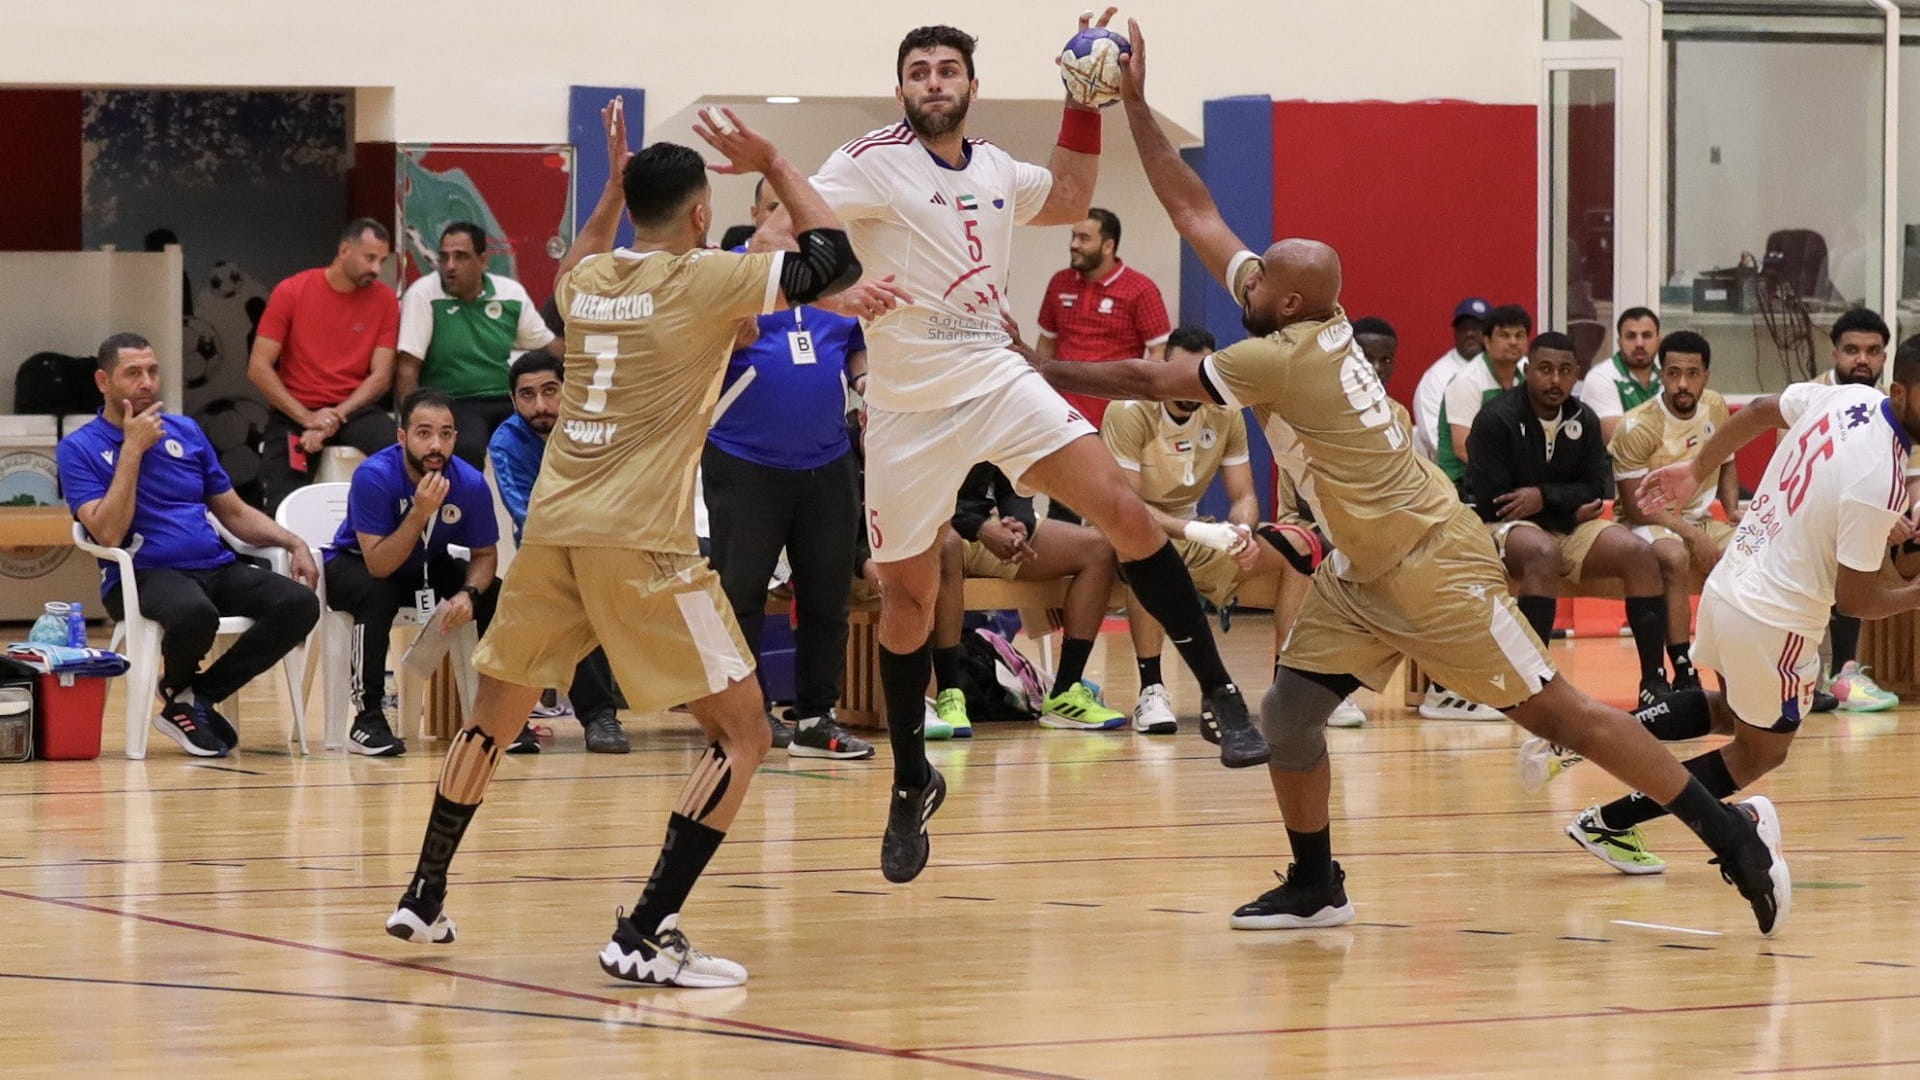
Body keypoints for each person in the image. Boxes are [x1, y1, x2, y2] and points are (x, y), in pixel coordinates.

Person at [1029, 19, 1788, 936]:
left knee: (1564, 716)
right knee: (1292, 715)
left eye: (1261, 275)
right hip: (1363, 568)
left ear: (1291, 303)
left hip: (1435, 566)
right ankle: (1317, 884)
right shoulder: (1301, 310)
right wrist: (1139, 106)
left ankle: (1733, 838)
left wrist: (1034, 363)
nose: (1248, 272)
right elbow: (1198, 214)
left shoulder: (1284, 357)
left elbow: (1153, 376)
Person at [754, 16, 1264, 886]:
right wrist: (839, 297)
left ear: (971, 86)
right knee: (908, 599)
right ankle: (911, 780)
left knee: (1122, 509)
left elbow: (1068, 195)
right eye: (918, 70)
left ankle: (1216, 692)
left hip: (994, 370)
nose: (934, 81)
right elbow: (772, 242)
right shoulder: (867, 159)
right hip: (908, 410)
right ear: (902, 88)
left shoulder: (992, 165)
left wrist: (1085, 100)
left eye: (948, 68)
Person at [385, 106, 872, 987]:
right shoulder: (705, 276)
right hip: (642, 540)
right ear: (697, 216)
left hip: (557, 532)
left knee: (492, 719)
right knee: (747, 734)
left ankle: (423, 893)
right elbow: (836, 260)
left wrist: (609, 183)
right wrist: (771, 158)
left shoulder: (590, 281)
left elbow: (578, 256)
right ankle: (644, 930)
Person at [1539, 360, 1920, 877]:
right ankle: (1607, 821)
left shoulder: (1846, 398)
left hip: (1733, 580)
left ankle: (1587, 737)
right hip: (1774, 618)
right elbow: (1855, 599)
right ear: (1900, 391)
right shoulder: (1885, 477)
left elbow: (1762, 410)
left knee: (1732, 713)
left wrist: (1695, 469)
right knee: (1760, 752)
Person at [60, 332, 320, 757]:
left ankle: (191, 696)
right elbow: (107, 534)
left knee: (299, 603)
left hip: (214, 566)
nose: (146, 382)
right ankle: (182, 693)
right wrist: (132, 451)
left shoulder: (187, 432)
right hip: (142, 575)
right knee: (194, 611)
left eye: (152, 371)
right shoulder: (80, 448)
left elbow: (233, 512)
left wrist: (294, 543)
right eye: (133, 374)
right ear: (103, 382)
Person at [702, 176, 873, 760]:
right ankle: (744, 716)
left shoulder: (832, 282)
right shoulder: (725, 272)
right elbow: (687, 347)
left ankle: (817, 716)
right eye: (774, 208)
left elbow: (856, 343)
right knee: (740, 594)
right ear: (754, 212)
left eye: (795, 209)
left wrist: (866, 381)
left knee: (827, 597)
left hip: (827, 462)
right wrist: (725, 335)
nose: (786, 219)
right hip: (744, 461)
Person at [1100, 324, 1297, 735]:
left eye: (1198, 378)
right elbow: (1128, 507)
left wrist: (1242, 531)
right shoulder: (1129, 410)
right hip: (1130, 529)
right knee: (1143, 548)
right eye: (1178, 376)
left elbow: (1243, 494)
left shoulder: (1225, 412)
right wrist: (1196, 532)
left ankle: (1294, 688)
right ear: (1161, 369)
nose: (1187, 388)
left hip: (1195, 531)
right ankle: (1152, 689)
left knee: (1301, 550)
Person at [1467, 332, 1675, 708]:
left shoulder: (1585, 418)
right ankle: (1534, 682)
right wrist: (1562, 503)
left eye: (1565, 371)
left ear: (1576, 373)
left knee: (1638, 552)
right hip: (1503, 528)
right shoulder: (1495, 420)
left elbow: (1598, 487)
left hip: (1568, 526)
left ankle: (1653, 682)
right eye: (1545, 370)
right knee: (1541, 552)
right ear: (1527, 370)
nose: (1555, 380)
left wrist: (1544, 498)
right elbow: (1492, 500)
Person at [324, 388, 501, 757]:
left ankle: (499, 717)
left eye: (446, 433)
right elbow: (379, 564)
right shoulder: (375, 476)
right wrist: (419, 512)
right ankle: (367, 718)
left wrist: (469, 593)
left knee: (495, 592)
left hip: (424, 565)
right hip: (358, 564)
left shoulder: (468, 483)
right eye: (424, 433)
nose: (436, 445)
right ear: (402, 436)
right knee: (379, 591)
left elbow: (484, 554)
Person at [488, 351, 630, 754]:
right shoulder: (506, 442)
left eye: (550, 392)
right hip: (546, 555)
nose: (541, 406)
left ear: (569, 390)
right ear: (513, 400)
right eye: (527, 395)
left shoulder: (594, 428)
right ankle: (600, 715)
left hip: (610, 544)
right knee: (571, 592)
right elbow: (527, 515)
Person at [929, 463, 1124, 737]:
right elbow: (914, 493)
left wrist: (1019, 524)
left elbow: (1013, 484)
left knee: (1099, 550)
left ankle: (1065, 692)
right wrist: (981, 527)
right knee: (947, 546)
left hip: (982, 529)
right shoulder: (921, 420)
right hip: (932, 530)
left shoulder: (993, 421)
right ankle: (950, 693)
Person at [1608, 329, 1738, 693]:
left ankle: (1741, 668)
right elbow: (1635, 507)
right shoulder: (1637, 425)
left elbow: (1728, 460)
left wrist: (1731, 510)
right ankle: (1683, 669)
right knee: (1674, 556)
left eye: (1692, 374)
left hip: (1701, 517)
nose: (1682, 384)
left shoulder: (1715, 405)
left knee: (1751, 550)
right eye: (1673, 373)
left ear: (1706, 376)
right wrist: (1693, 534)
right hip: (1649, 520)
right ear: (1660, 374)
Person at [248, 218, 400, 513]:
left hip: (355, 409)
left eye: (381, 260)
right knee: (282, 504)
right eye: (370, 258)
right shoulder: (292, 291)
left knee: (400, 459)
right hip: (296, 409)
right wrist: (307, 418)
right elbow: (258, 367)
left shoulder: (384, 300)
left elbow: (381, 376)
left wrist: (333, 417)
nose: (376, 269)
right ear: (344, 250)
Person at [1804, 307, 1907, 712]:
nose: (1862, 360)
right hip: (1810, 517)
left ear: (1884, 356)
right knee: (1848, 537)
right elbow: (1799, 477)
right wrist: (1883, 514)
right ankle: (1821, 671)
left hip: (1867, 517)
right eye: (1852, 350)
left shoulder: (1892, 403)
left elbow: (1907, 475)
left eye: (1872, 351)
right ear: (1834, 353)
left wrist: (1905, 509)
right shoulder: (1809, 398)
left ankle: (1845, 671)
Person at [393, 222, 562, 467]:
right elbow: (407, 368)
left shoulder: (510, 293)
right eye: (444, 257)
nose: (450, 266)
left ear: (482, 261)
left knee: (548, 436)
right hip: (454, 401)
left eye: (460, 257)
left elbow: (548, 346)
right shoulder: (423, 294)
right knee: (468, 447)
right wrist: (412, 423)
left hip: (506, 398)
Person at [1034, 206, 1171, 428]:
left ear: (1108, 245)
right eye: (1073, 236)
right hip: (1061, 415)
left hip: (1115, 418)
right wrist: (1040, 398)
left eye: (1084, 238)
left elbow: (1159, 353)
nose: (1074, 245)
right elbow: (1046, 345)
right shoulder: (1060, 282)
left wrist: (1138, 409)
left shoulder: (1141, 289)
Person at [1435, 303, 1530, 491]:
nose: (1513, 342)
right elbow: (1464, 448)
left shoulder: (1526, 378)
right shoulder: (1467, 381)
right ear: (1486, 341)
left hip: (1508, 477)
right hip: (1461, 482)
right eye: (1504, 335)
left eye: (1520, 335)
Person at [1410, 297, 1488, 461]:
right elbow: (1434, 440)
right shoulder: (1436, 378)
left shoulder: (1512, 368)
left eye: (1478, 327)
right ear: (1455, 333)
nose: (1470, 333)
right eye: (1464, 328)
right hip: (1454, 474)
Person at [1583, 307, 1661, 442]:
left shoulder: (1667, 377)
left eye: (1647, 335)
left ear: (1658, 341)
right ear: (1619, 342)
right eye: (1631, 336)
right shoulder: (1601, 376)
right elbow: (1617, 440)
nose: (1639, 344)